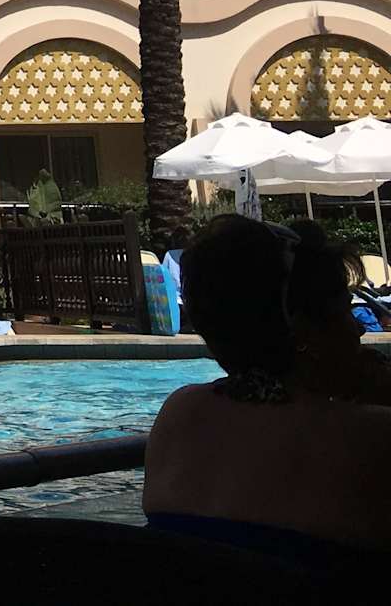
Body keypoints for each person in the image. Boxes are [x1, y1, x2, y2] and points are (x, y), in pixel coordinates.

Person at [143, 215, 391, 559]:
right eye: (344, 311)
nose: (359, 330)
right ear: (306, 332)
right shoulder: (368, 435)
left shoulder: (179, 415)